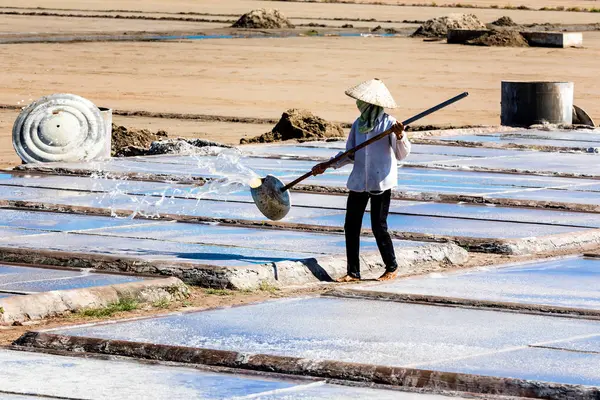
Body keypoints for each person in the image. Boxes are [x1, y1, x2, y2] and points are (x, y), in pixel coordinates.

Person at [312, 78, 411, 282]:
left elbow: (402, 154)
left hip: (380, 182)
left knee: (378, 226)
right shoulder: (359, 124)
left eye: (362, 102)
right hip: (359, 181)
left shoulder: (390, 124)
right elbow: (351, 153)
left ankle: (391, 267)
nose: (359, 105)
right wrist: (328, 164)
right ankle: (353, 272)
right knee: (351, 225)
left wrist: (400, 136)